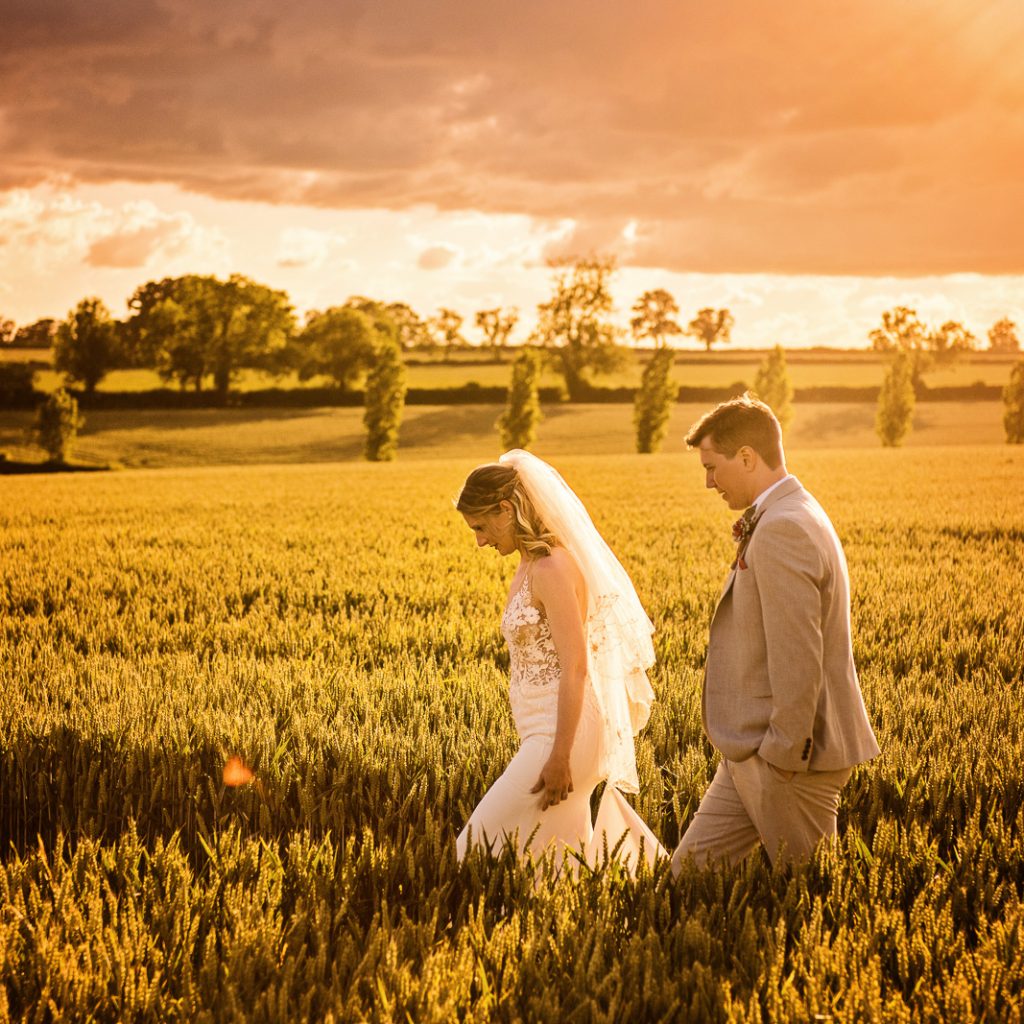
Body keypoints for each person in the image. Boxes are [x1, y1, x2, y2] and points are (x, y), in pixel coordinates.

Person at [672, 395, 879, 871]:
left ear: (747, 457)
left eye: (711, 467)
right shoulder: (787, 512)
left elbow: (798, 656)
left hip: (788, 761)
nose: (707, 482)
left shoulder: (784, 527)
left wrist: (783, 757)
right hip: (749, 751)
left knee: (810, 895)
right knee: (686, 881)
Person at [455, 449, 664, 870]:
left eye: (481, 526)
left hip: (562, 737)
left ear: (506, 508)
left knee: (472, 850)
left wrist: (560, 757)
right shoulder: (529, 564)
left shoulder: (551, 566)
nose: (479, 540)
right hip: (543, 731)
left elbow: (575, 666)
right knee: (554, 863)